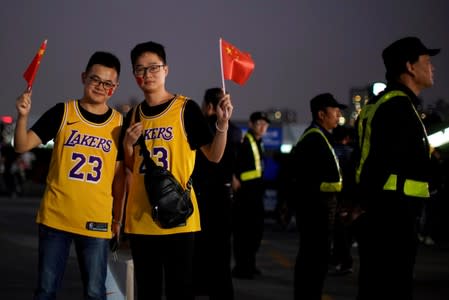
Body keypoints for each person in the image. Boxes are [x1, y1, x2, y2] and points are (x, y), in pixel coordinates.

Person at [119, 41, 232, 300]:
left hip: (178, 219)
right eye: (140, 69)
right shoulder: (132, 115)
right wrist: (127, 144)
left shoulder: (185, 109)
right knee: (147, 291)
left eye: (153, 68)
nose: (147, 74)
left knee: (179, 290)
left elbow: (213, 156)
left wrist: (222, 125)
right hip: (141, 219)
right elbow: (128, 167)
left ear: (166, 70)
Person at [14, 51, 125, 300]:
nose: (100, 87)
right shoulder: (62, 112)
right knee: (45, 291)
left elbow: (120, 178)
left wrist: (118, 219)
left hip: (96, 221)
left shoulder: (119, 124)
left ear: (115, 88)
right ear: (84, 77)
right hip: (57, 217)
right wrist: (22, 116)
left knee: (96, 292)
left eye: (107, 83)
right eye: (95, 79)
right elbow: (21, 145)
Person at [354, 37, 439, 300]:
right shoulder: (398, 107)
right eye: (427, 62)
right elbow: (390, 160)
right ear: (410, 67)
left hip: (382, 214)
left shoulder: (383, 103)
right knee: (392, 289)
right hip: (392, 217)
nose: (432, 68)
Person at [291, 93, 346, 300]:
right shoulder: (314, 138)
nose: (339, 113)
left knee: (317, 261)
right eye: (335, 109)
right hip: (315, 213)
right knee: (313, 261)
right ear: (321, 114)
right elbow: (306, 181)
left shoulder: (321, 136)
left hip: (321, 211)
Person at [192, 87, 242, 300]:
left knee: (200, 249)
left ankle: (202, 286)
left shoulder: (202, 127)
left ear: (210, 106)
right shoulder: (234, 130)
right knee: (222, 252)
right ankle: (221, 291)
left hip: (203, 196)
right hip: (225, 195)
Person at [232, 111, 270, 279]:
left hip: (256, 195)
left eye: (265, 124)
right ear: (251, 124)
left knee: (255, 233)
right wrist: (233, 178)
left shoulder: (259, 143)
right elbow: (231, 161)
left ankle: (250, 265)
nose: (262, 127)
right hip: (245, 196)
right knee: (244, 234)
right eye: (259, 123)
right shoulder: (244, 142)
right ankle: (242, 268)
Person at [329, 125, 356, 276]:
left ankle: (338, 258)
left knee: (337, 232)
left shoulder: (330, 152)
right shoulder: (351, 154)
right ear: (347, 138)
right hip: (347, 198)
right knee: (345, 232)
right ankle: (345, 261)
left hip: (332, 196)